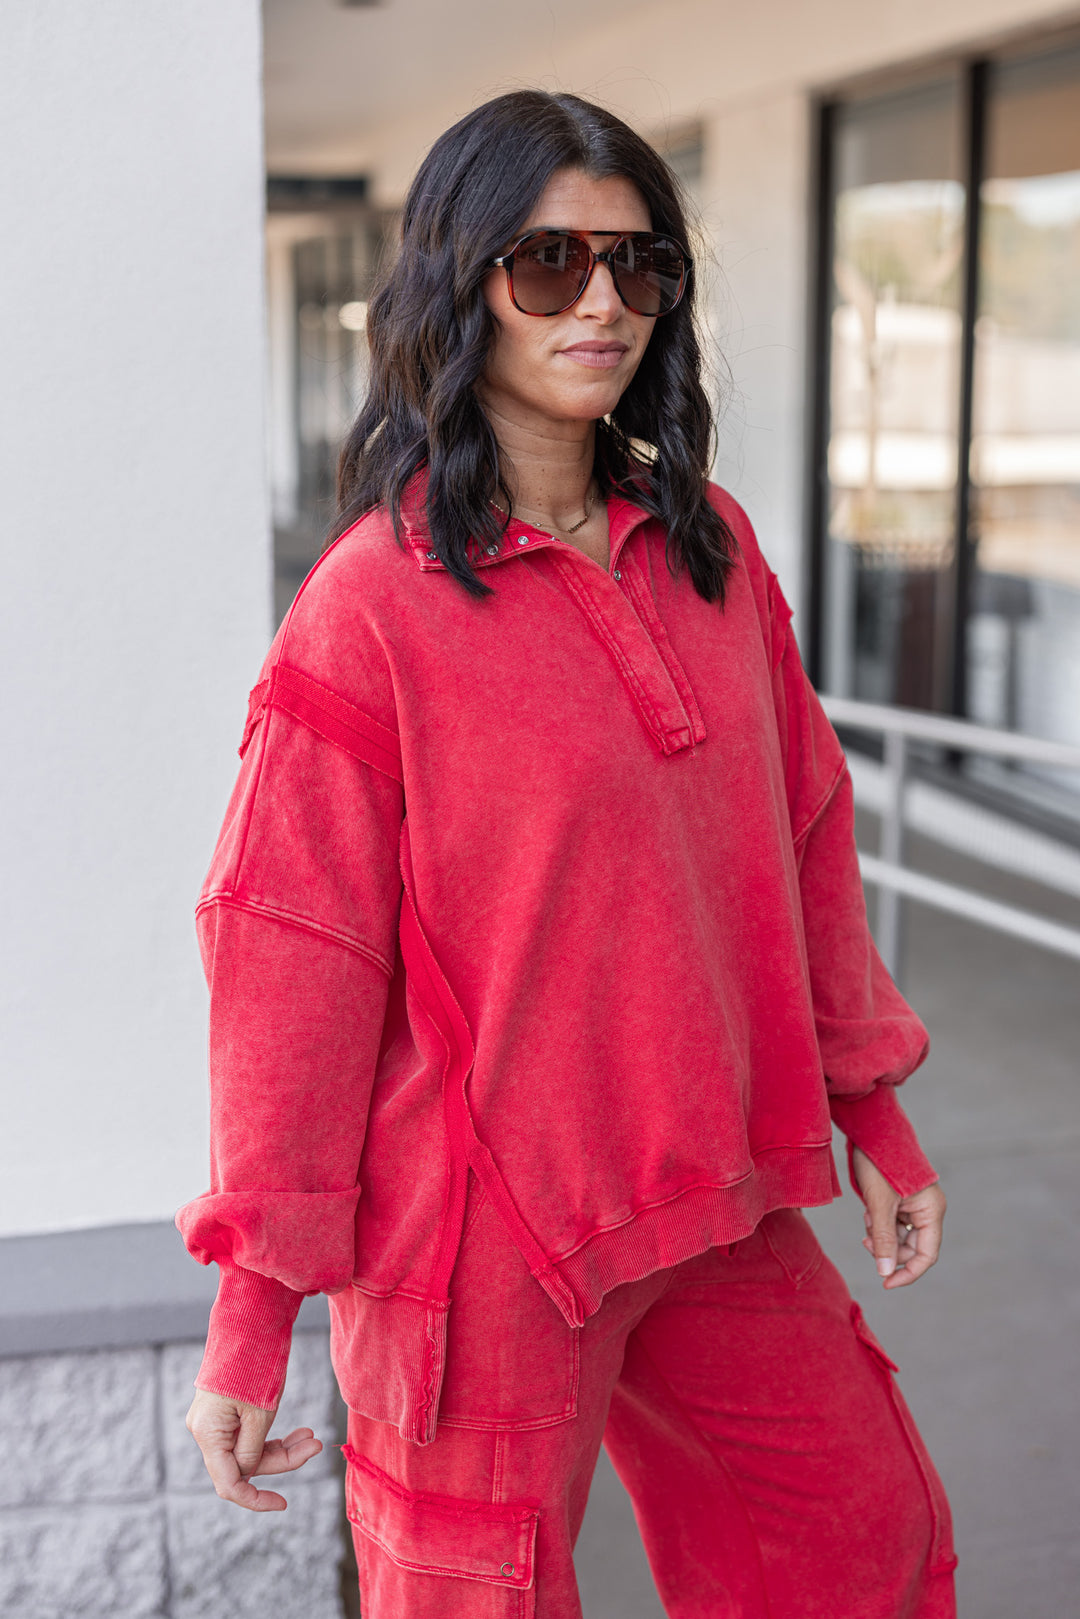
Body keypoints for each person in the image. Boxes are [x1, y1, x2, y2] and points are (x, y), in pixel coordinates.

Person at [178, 90, 956, 1618]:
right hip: (487, 1247)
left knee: (857, 1544)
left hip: (717, 1188)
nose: (601, 302)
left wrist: (872, 1108)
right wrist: (253, 1311)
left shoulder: (712, 548)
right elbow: (293, 968)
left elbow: (803, 846)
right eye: (548, 264)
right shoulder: (371, 608)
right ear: (459, 284)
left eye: (637, 265)